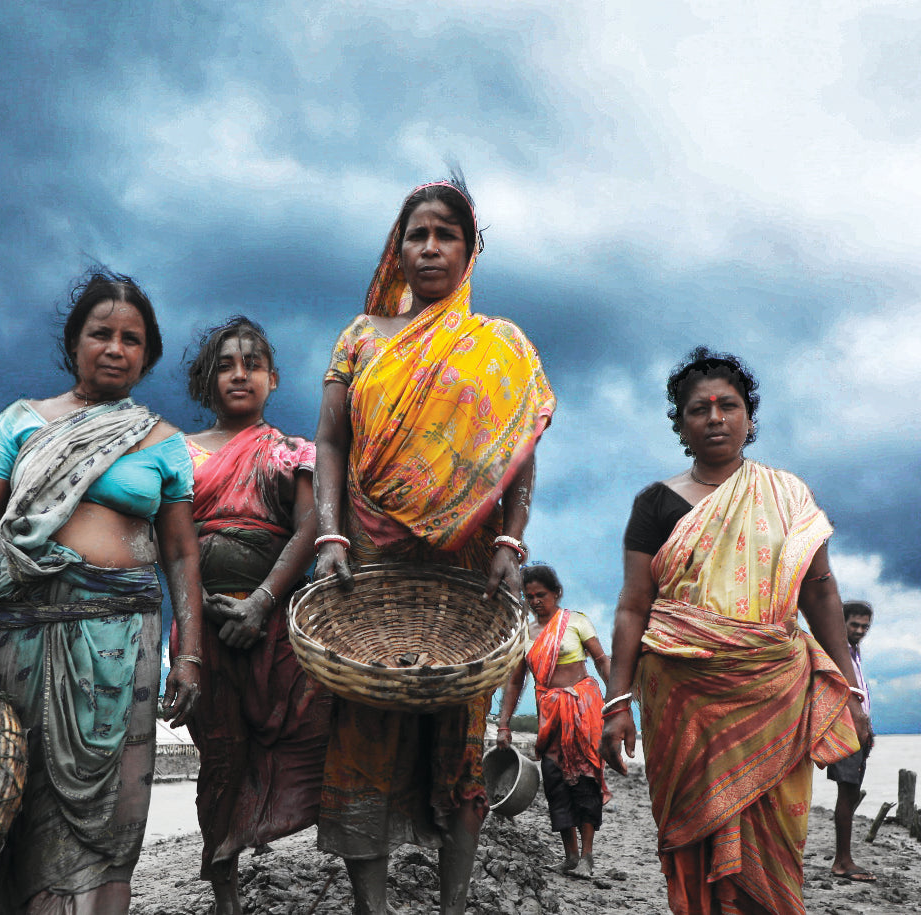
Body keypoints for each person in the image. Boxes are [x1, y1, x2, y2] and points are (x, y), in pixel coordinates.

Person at [313, 176, 556, 915]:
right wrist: (329, 533)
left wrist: (510, 540)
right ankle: (372, 906)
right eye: (415, 234)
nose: (427, 247)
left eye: (444, 234)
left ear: (468, 250)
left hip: (465, 573)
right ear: (397, 248)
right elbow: (328, 441)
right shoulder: (360, 336)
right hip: (370, 567)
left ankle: (452, 904)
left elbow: (519, 453)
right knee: (361, 732)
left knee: (459, 742)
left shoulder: (499, 345)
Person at [0, 270, 203, 915]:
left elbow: (181, 552)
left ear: (148, 354)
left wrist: (190, 652)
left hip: (125, 640)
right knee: (18, 796)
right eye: (101, 334)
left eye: (133, 339)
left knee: (115, 805)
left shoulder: (164, 442)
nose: (116, 349)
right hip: (27, 635)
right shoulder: (21, 422)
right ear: (74, 342)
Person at [600, 347, 872, 914]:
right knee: (696, 841)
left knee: (776, 843)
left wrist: (850, 690)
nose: (715, 417)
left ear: (749, 416)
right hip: (683, 698)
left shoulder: (788, 497)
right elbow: (632, 607)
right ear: (681, 424)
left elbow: (820, 592)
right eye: (699, 409)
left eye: (729, 405)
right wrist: (616, 703)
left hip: (775, 692)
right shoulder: (655, 504)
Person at [179, 317, 330, 914]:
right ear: (207, 379)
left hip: (276, 623)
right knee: (220, 755)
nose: (239, 374)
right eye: (225, 364)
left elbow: (310, 526)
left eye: (252, 363)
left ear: (272, 378)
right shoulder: (178, 454)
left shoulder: (294, 451)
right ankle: (225, 893)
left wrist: (261, 602)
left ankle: (310, 837)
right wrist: (194, 632)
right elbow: (175, 544)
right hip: (203, 625)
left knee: (310, 727)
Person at [496, 564, 611, 878]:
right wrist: (504, 724)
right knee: (555, 784)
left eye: (541, 595)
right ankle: (570, 857)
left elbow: (601, 660)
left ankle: (587, 857)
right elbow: (515, 682)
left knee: (586, 780)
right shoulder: (525, 635)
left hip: (582, 712)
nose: (535, 601)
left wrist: (617, 702)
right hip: (550, 719)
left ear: (557, 593)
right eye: (529, 596)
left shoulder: (575, 622)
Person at [828, 599, 876, 882]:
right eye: (854, 625)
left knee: (852, 792)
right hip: (843, 729)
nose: (860, 630)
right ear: (842, 623)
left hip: (857, 730)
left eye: (865, 627)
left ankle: (843, 859)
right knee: (848, 792)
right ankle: (842, 862)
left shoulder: (853, 653)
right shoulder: (837, 652)